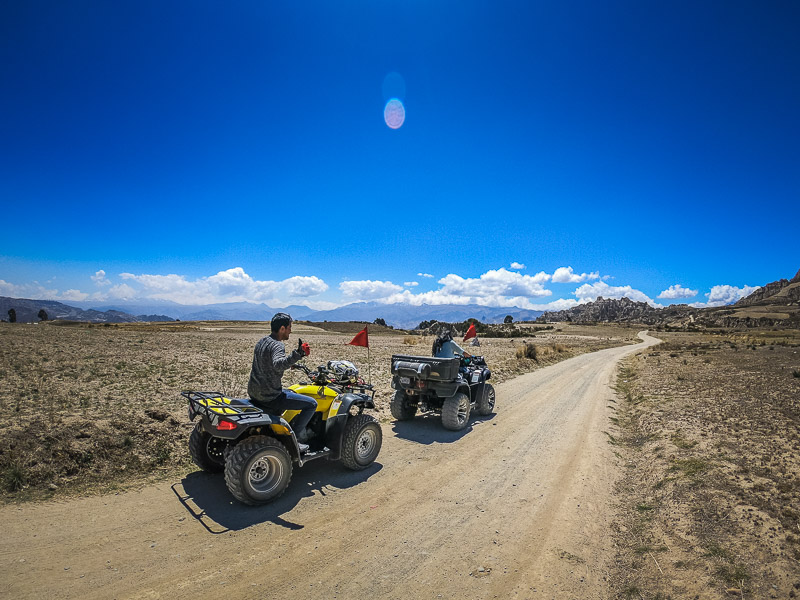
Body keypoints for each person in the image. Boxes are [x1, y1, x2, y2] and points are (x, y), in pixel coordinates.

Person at [247, 313, 316, 453]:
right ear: (282, 328)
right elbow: (278, 364)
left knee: (290, 392)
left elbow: (267, 362)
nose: (291, 330)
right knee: (311, 404)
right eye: (290, 327)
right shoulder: (278, 345)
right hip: (270, 396)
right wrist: (297, 354)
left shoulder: (262, 341)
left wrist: (288, 363)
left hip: (254, 392)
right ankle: (295, 438)